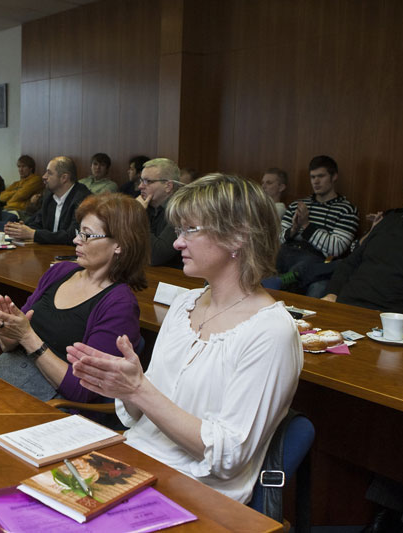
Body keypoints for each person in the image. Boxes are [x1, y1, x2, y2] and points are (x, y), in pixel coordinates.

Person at [67, 174, 302, 504]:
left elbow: (227, 458)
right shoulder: (183, 305)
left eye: (190, 230)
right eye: (178, 231)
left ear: (238, 236)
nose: (177, 243)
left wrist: (140, 390)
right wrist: (125, 386)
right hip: (132, 465)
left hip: (198, 495)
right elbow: (143, 416)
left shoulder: (271, 332)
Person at [0, 193, 146, 405]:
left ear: (119, 245)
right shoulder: (59, 272)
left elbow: (83, 392)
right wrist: (8, 329)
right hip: (4, 380)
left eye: (87, 235)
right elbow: (8, 346)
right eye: (79, 232)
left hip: (51, 406)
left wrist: (28, 337)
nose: (76, 240)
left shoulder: (120, 305)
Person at [322, 179, 403, 314]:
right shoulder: (391, 218)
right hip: (347, 301)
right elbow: (350, 262)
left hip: (390, 314)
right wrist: (332, 294)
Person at [277, 155, 359, 297]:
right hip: (286, 251)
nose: (316, 181)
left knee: (313, 271)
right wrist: (294, 230)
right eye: (312, 177)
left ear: (334, 177)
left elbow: (336, 248)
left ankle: (282, 282)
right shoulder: (299, 204)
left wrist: (306, 225)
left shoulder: (346, 209)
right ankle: (282, 282)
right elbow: (277, 237)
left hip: (314, 257)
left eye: (321, 176)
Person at [4, 156, 91, 245]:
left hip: (72, 255)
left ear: (64, 178)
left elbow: (72, 236)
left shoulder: (84, 200)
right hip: (50, 253)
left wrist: (33, 234)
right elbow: (38, 223)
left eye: (49, 173)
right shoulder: (49, 196)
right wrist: (21, 229)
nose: (44, 176)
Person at [137, 158, 183, 268]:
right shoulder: (146, 206)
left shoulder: (181, 211)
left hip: (175, 278)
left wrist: (138, 217)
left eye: (148, 181)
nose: (140, 186)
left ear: (168, 186)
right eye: (141, 180)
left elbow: (156, 256)